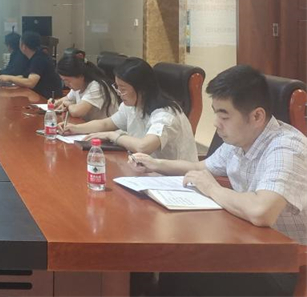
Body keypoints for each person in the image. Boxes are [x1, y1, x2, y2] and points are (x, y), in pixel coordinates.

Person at [129, 65, 305, 297]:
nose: (216, 123)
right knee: (174, 262)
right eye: (215, 113)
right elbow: (199, 167)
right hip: (252, 244)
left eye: (224, 116)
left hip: (289, 266)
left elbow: (262, 211)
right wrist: (155, 164)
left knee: (183, 268)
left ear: (257, 116)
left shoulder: (286, 148)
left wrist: (212, 188)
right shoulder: (240, 141)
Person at [61, 57, 197, 161]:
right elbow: (106, 124)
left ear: (142, 88)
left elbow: (144, 147)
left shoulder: (165, 114)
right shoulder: (132, 105)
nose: (119, 93)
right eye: (117, 87)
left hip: (174, 179)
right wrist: (75, 128)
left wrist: (112, 135)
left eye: (123, 89)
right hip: (144, 169)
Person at [0, 31, 63, 99]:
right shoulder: (34, 57)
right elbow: (24, 76)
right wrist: (8, 78)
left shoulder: (39, 58)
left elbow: (31, 83)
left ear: (23, 46)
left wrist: (10, 78)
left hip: (48, 97)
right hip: (41, 94)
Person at [53, 54, 118, 121]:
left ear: (80, 76)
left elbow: (77, 112)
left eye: (67, 81)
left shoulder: (97, 86)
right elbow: (68, 98)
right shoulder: (78, 86)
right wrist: (55, 102)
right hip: (90, 124)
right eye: (63, 80)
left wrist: (68, 105)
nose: (66, 84)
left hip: (107, 127)